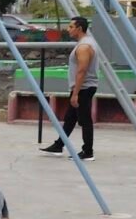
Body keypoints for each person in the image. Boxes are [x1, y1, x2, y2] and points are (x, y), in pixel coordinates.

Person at [39, 16, 99, 162]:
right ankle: (59, 145)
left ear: (79, 28)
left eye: (71, 27)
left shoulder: (84, 46)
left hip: (84, 87)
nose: (68, 29)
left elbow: (82, 71)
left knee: (85, 119)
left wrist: (75, 93)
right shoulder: (85, 43)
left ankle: (88, 152)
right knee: (70, 118)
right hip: (82, 87)